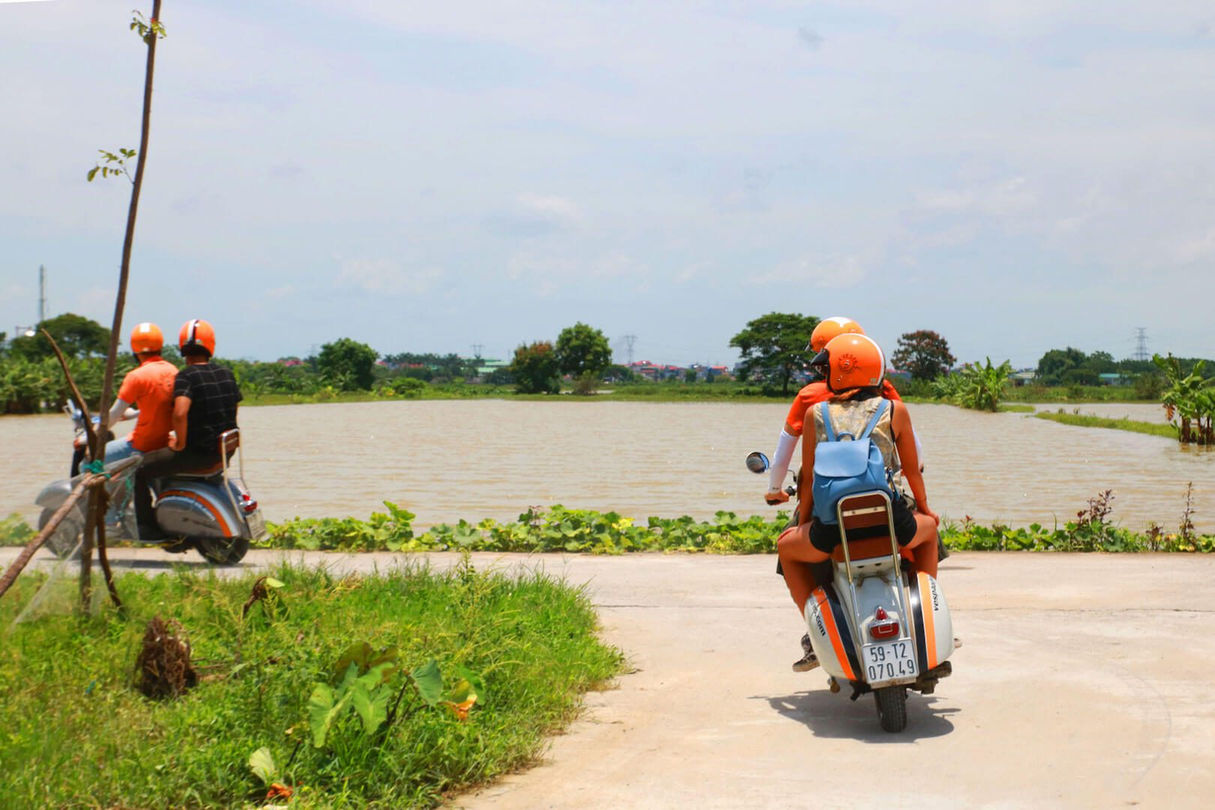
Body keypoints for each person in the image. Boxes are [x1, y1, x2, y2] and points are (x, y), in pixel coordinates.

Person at [777, 333, 940, 671]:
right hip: (890, 522)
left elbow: (806, 484)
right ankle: (928, 615)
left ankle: (815, 628)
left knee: (786, 549)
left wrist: (803, 520)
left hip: (833, 529)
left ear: (839, 371)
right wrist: (926, 511)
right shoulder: (895, 409)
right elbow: (912, 472)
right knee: (930, 534)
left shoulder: (816, 414)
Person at [135, 319, 242, 533]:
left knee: (139, 469)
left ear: (183, 348)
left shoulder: (186, 376)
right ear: (210, 346)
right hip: (223, 454)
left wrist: (180, 444)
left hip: (198, 455)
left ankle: (147, 527)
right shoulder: (226, 374)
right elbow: (233, 410)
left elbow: (180, 413)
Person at [89, 322, 177, 540]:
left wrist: (96, 430)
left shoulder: (136, 376)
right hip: (164, 442)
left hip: (140, 445)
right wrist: (135, 414)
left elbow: (114, 414)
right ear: (160, 346)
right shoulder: (173, 371)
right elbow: (155, 407)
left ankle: (109, 521)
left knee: (93, 462)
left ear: (135, 349)